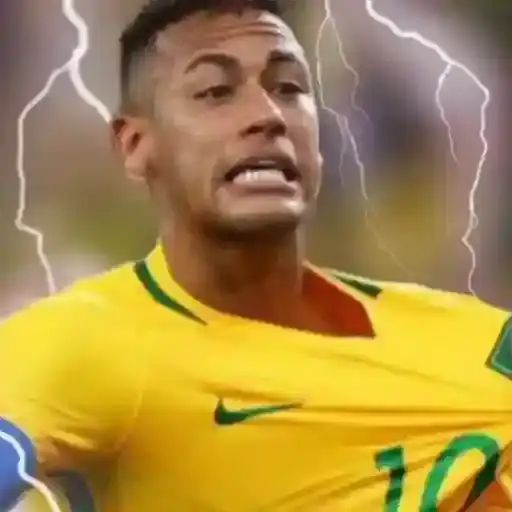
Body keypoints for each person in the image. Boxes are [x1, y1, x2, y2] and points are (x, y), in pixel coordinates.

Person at [0, 0, 511, 510]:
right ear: (135, 145)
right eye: (215, 92)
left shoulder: (480, 346)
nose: (267, 115)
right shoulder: (90, 345)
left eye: (288, 89)